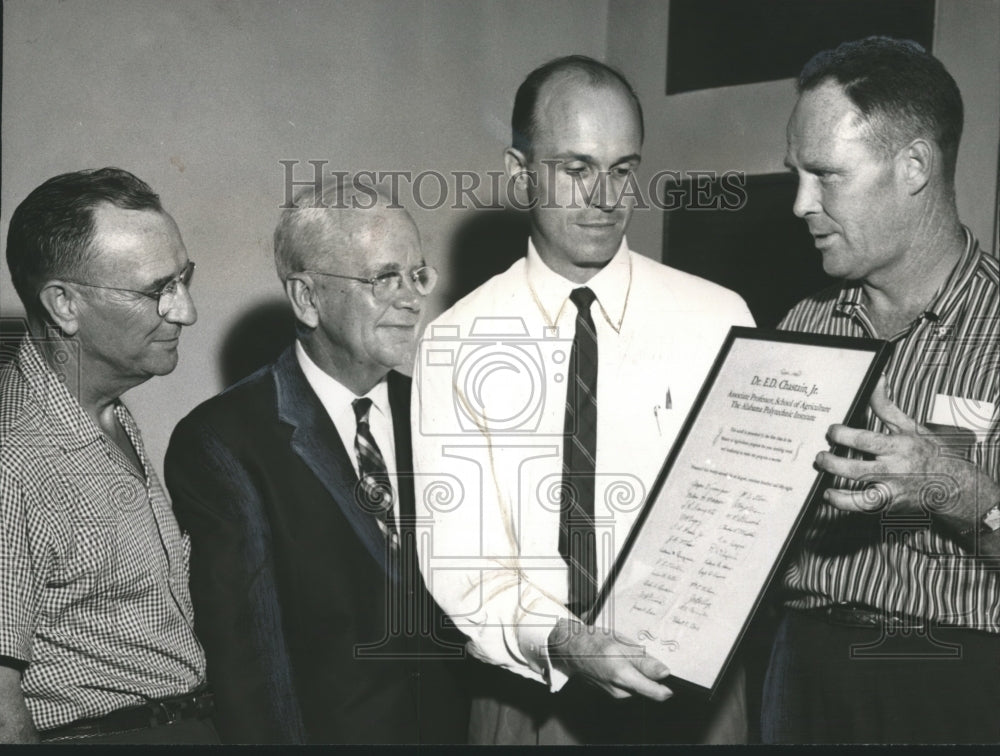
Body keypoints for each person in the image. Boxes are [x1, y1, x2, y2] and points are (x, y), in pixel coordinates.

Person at [412, 55, 755, 744]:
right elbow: (461, 558)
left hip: (693, 694)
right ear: (519, 172)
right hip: (531, 694)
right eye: (576, 168)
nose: (604, 197)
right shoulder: (458, 339)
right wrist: (564, 641)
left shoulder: (720, 318)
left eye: (623, 169)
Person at [164, 181, 469, 744]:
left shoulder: (442, 410)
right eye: (383, 278)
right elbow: (252, 669)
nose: (410, 299)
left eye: (416, 274)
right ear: (306, 298)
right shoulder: (222, 442)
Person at [762, 37, 1000, 744]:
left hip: (953, 684)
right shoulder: (799, 325)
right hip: (798, 668)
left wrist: (963, 491)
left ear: (915, 167)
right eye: (795, 175)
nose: (801, 204)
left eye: (826, 175)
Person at [0, 168, 214, 743]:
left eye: (183, 279)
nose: (185, 311)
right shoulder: (16, 459)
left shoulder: (105, 411)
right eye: (156, 291)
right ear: (64, 304)